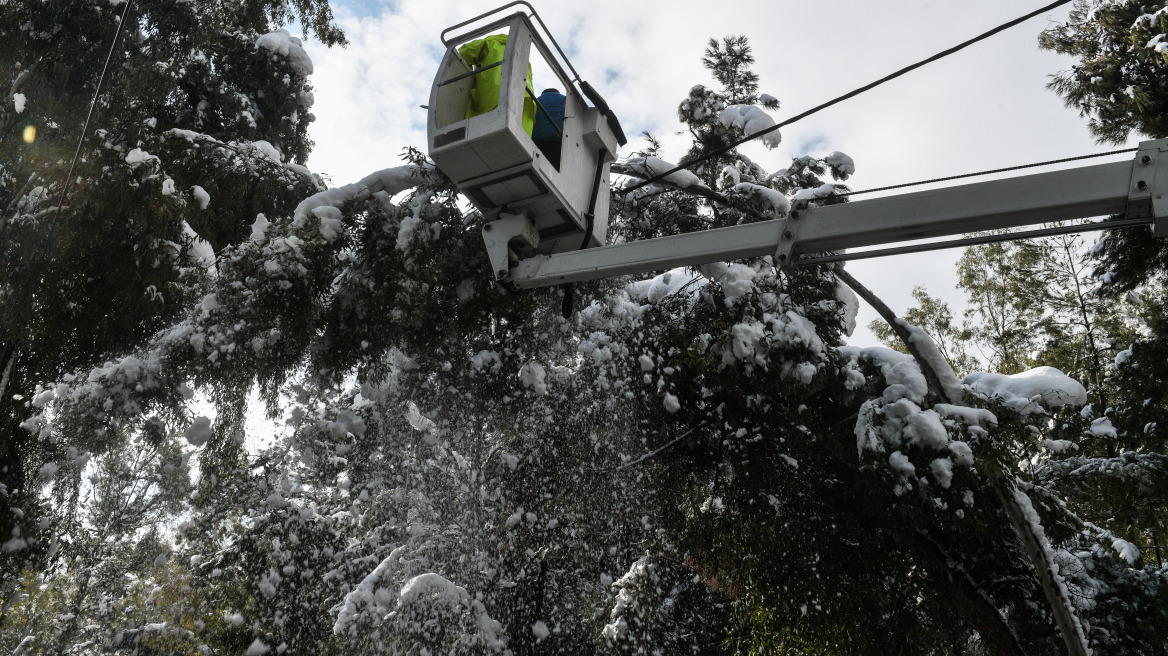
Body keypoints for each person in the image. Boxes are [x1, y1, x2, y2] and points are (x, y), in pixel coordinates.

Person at [531, 88, 566, 168]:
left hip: (538, 144)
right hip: (560, 144)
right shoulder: (565, 100)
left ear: (543, 93)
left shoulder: (536, 101)